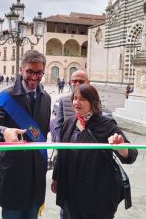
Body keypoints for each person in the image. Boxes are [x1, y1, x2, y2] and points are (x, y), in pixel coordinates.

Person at [0, 50, 51, 219]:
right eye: (29, 71)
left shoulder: (46, 98)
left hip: (36, 174)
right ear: (21, 70)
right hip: (14, 173)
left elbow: (43, 131)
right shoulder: (7, 97)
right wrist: (3, 131)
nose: (34, 77)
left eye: (38, 72)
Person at [51, 84, 138, 219]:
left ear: (93, 102)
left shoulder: (106, 125)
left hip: (97, 196)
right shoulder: (69, 123)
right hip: (70, 195)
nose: (76, 103)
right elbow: (61, 154)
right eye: (75, 98)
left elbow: (131, 154)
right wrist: (56, 178)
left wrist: (121, 148)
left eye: (82, 99)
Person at [51, 70, 90, 219]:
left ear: (88, 83)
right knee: (66, 208)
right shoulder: (63, 101)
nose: (77, 84)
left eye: (81, 81)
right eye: (74, 81)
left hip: (87, 164)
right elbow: (57, 127)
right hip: (67, 158)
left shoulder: (96, 102)